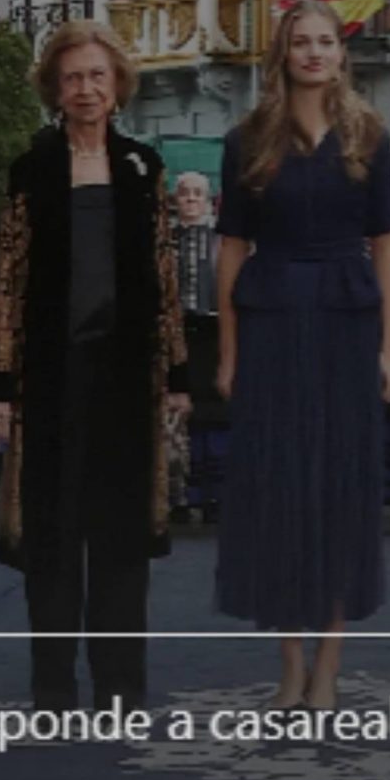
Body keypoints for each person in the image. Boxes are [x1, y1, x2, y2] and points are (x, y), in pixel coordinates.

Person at [0, 24, 190, 707]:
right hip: (50, 380)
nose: (86, 89)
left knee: (122, 540)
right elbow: (6, 281)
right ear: (55, 88)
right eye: (73, 77)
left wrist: (178, 376)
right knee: (52, 539)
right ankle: (51, 688)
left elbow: (164, 277)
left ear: (118, 85)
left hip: (127, 378)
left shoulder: (142, 168)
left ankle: (121, 688)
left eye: (98, 75)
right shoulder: (32, 169)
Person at [215, 0, 390, 706]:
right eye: (302, 42)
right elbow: (231, 249)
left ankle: (330, 658)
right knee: (279, 491)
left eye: (327, 41)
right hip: (270, 321)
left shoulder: (371, 136)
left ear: (341, 53)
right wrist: (228, 354)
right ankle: (290, 657)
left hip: (348, 322)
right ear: (283, 54)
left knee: (339, 491)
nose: (315, 52)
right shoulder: (247, 140)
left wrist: (388, 350)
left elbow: (386, 247)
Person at [167, 170, 226, 519]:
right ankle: (179, 494)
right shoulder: (165, 239)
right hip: (176, 331)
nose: (190, 199)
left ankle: (214, 493)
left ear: (207, 200)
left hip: (213, 329)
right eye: (184, 193)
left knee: (213, 412)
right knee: (175, 415)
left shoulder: (220, 240)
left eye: (197, 194)